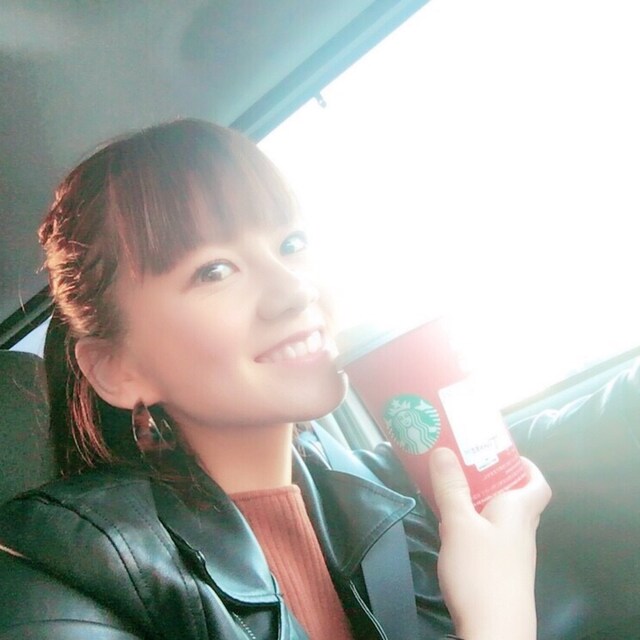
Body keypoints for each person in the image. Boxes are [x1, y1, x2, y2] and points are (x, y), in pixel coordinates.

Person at [0, 119, 551, 640]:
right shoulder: (54, 565)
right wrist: (497, 620)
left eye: (291, 243)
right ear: (118, 370)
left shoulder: (390, 488)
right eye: (214, 271)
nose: (295, 289)